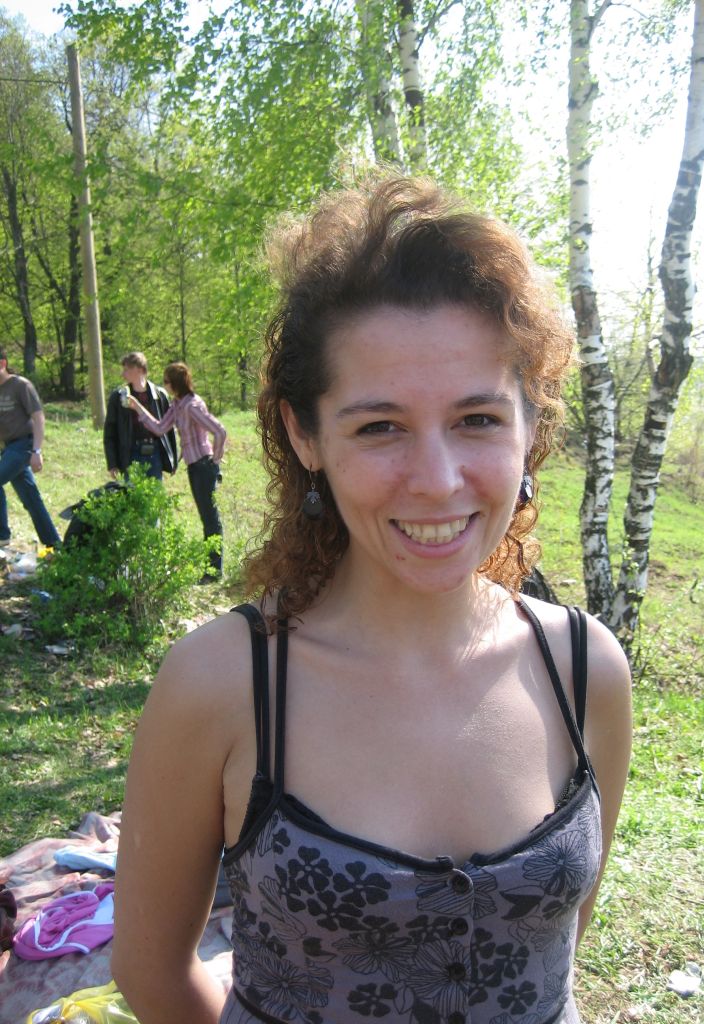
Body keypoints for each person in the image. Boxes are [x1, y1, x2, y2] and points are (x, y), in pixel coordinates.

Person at [111, 176, 632, 1024]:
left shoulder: (584, 669)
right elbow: (153, 972)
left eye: (477, 419)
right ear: (304, 434)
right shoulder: (222, 684)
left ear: (531, 425)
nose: (437, 480)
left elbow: (559, 945)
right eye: (379, 426)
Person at [127, 362, 226, 580]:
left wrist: (215, 460)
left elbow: (219, 431)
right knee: (206, 517)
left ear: (176, 383)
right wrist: (138, 408)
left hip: (203, 465)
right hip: (193, 466)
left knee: (210, 518)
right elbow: (160, 428)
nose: (164, 385)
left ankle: (214, 571)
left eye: (166, 382)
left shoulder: (192, 406)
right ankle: (212, 569)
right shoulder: (178, 404)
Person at [0, 347, 60, 549]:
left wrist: (37, 451)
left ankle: (2, 537)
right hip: (8, 449)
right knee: (31, 498)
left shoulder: (21, 385)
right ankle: (55, 545)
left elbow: (38, 417)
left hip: (24, 445)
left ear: (3, 364)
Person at [103, 352, 177, 482]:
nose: (123, 374)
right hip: (130, 453)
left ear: (139, 369)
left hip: (155, 453)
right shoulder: (118, 397)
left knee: (155, 492)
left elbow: (169, 430)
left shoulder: (160, 395)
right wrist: (112, 463)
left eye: (126, 370)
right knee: (132, 493)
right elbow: (110, 433)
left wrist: (173, 460)